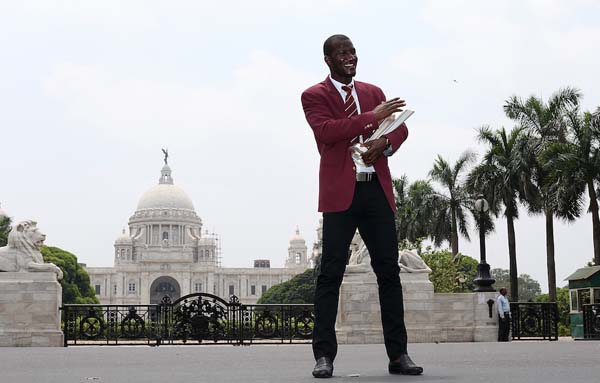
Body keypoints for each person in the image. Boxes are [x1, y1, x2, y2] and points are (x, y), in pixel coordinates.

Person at [301, 34, 423, 378]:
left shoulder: (373, 92)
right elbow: (327, 131)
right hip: (341, 194)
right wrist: (372, 117)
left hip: (376, 192)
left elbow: (399, 129)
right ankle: (324, 356)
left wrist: (384, 142)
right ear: (328, 60)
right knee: (330, 275)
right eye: (342, 53)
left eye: (352, 52)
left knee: (389, 274)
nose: (350, 57)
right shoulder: (314, 96)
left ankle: (398, 355)